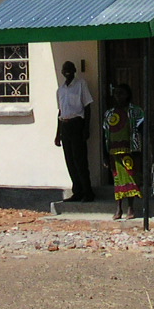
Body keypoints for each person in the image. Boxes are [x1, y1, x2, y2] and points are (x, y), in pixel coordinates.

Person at [102, 83, 145, 220]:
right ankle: (118, 209)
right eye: (116, 93)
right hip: (114, 152)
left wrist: (141, 150)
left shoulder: (136, 112)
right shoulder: (109, 114)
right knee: (118, 180)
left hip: (130, 150)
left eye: (121, 93)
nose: (118, 96)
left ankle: (131, 208)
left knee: (131, 178)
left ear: (128, 95)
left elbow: (142, 130)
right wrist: (104, 154)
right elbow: (105, 135)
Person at [54, 60, 95, 202]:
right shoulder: (60, 90)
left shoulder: (81, 85)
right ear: (62, 72)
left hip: (77, 124)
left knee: (80, 160)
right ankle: (77, 191)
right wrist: (57, 134)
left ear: (75, 70)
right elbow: (60, 112)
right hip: (65, 126)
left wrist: (86, 128)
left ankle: (87, 192)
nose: (67, 71)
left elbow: (87, 107)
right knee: (70, 161)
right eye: (65, 69)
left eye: (70, 69)